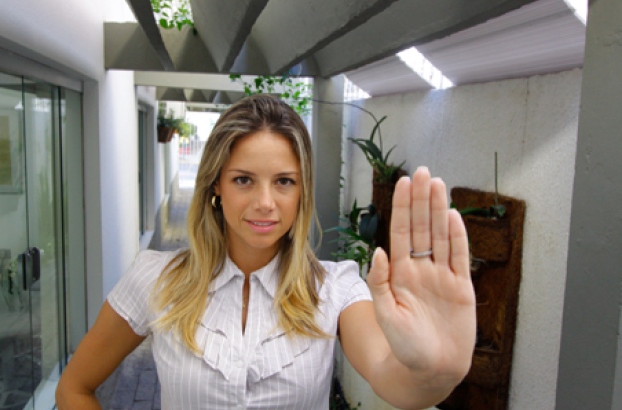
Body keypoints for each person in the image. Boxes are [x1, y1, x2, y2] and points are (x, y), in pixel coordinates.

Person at [55, 94, 476, 410]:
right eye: (243, 180)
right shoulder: (155, 278)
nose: (265, 203)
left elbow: (391, 376)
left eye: (284, 182)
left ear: (302, 190)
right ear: (215, 184)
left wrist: (436, 372)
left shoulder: (336, 290)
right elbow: (74, 387)